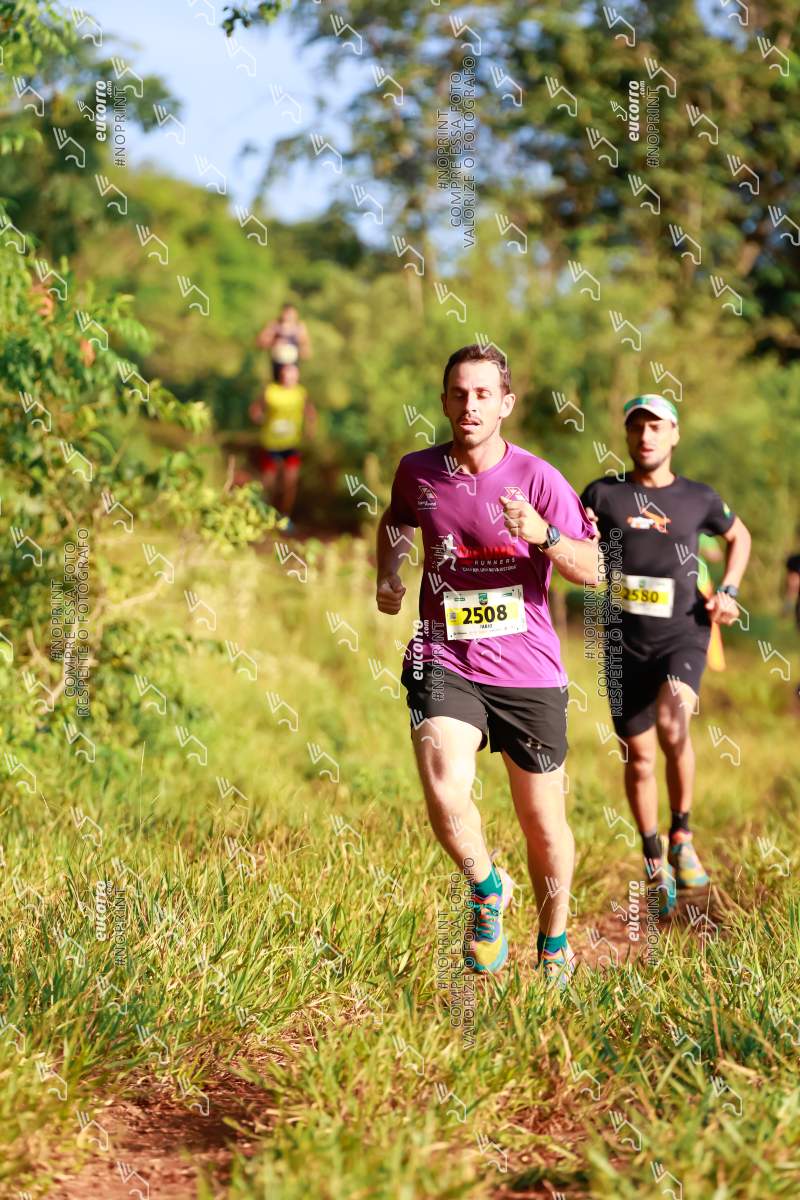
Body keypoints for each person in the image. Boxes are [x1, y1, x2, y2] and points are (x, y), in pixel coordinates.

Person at [375, 344, 599, 984]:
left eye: (483, 394)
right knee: (445, 785)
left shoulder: (538, 478)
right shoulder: (418, 471)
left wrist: (545, 536)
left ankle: (553, 944)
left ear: (505, 404)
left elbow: (595, 569)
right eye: (459, 394)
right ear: (445, 401)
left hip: (529, 671)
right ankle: (486, 887)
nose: (469, 405)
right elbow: (395, 521)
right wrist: (389, 572)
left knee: (544, 826)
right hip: (444, 655)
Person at [579, 394, 751, 915]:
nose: (646, 436)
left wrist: (730, 591)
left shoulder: (698, 498)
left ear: (674, 434)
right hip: (622, 640)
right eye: (637, 427)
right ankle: (654, 858)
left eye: (656, 427)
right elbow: (576, 543)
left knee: (675, 725)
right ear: (627, 435)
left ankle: (682, 835)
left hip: (684, 632)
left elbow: (739, 536)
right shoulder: (604, 493)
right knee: (639, 758)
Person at [248, 361, 317, 529]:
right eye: (287, 374)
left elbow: (310, 412)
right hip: (270, 444)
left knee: (290, 483)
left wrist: (310, 429)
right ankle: (264, 515)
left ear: (297, 376)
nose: (289, 378)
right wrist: (258, 417)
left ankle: (284, 518)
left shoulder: (300, 393)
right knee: (268, 483)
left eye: (293, 375)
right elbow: (255, 409)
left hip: (291, 444)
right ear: (281, 375)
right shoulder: (270, 391)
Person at [256, 302, 311, 382]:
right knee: (277, 384)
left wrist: (302, 349)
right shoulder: (274, 325)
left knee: (289, 382)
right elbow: (259, 343)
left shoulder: (300, 327)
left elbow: (306, 351)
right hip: (277, 364)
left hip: (292, 365)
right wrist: (274, 342)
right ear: (282, 313)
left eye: (291, 314)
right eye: (287, 313)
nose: (289, 316)